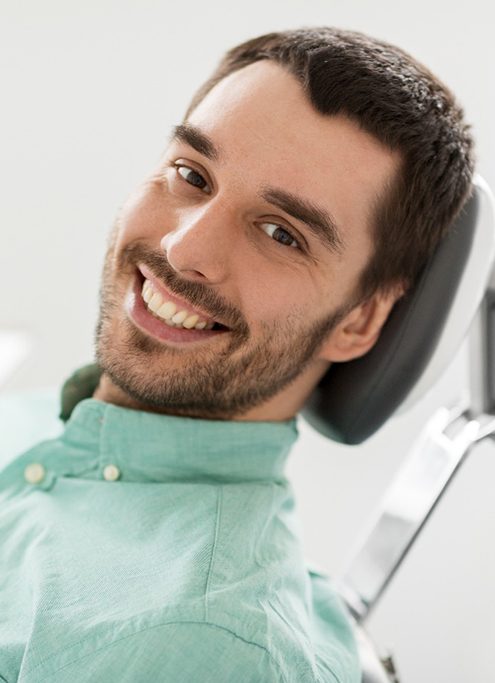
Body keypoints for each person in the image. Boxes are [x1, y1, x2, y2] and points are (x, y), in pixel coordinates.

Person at [0, 26, 473, 682]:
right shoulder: (34, 420)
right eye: (192, 174)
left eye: (281, 234)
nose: (183, 249)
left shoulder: (196, 642)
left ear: (359, 319)